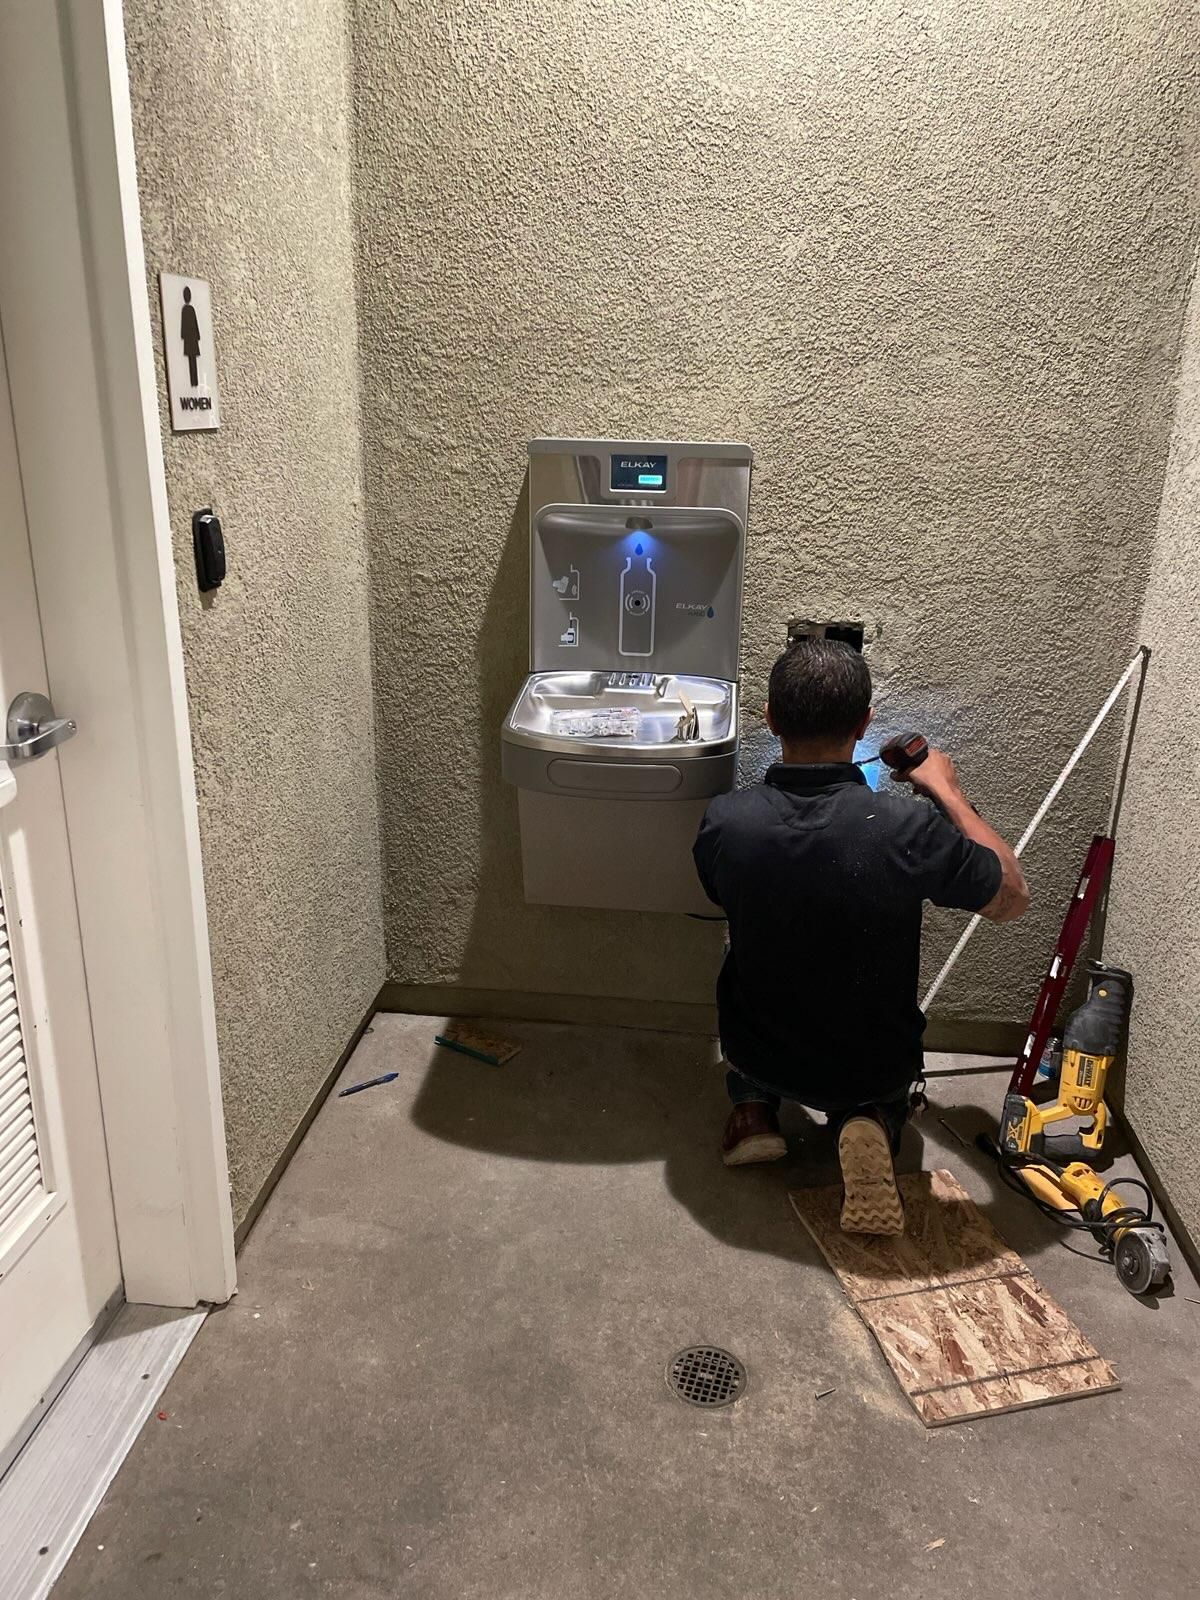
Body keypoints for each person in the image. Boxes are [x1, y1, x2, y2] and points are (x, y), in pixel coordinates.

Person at [693, 639, 1029, 1235]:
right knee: (874, 1079)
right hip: (867, 1061)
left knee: (745, 978)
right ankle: (868, 1118)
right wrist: (946, 791)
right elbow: (1010, 898)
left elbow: (720, 895)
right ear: (866, 723)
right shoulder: (906, 828)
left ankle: (753, 1111)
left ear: (769, 719)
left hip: (760, 1045)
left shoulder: (727, 819)